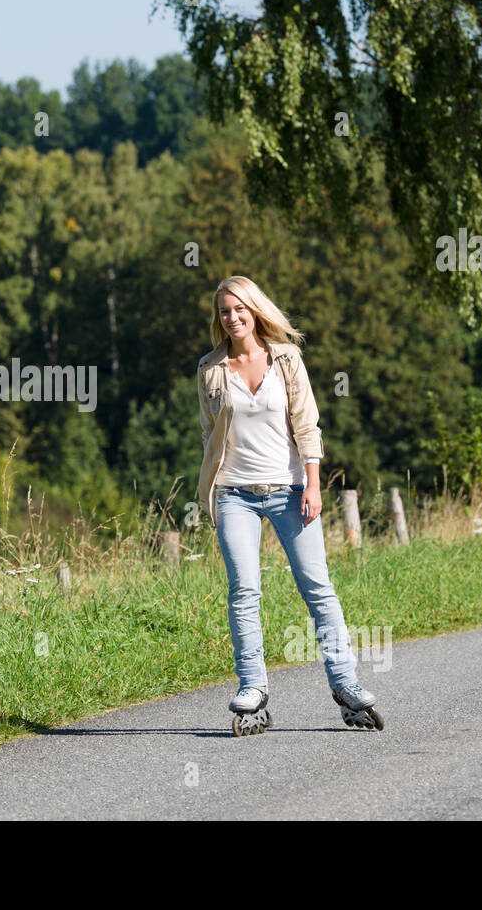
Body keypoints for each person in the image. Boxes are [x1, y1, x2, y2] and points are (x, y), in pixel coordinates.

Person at [196, 275, 383, 734]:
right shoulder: (210, 369)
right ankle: (253, 687)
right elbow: (208, 435)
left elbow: (307, 425)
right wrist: (214, 491)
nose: (233, 317)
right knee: (244, 591)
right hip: (235, 493)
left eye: (239, 309)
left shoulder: (286, 359)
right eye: (224, 311)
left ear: (255, 310)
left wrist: (313, 485)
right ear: (218, 318)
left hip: (290, 490)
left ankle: (346, 684)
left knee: (317, 587)